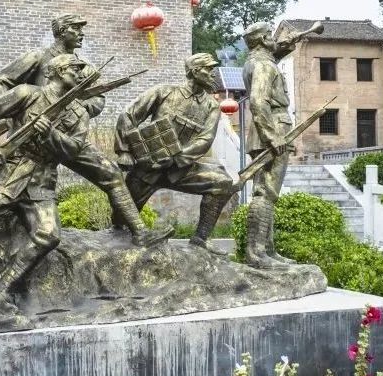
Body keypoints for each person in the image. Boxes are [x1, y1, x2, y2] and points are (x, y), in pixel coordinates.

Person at [0, 55, 168, 316]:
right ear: (57, 71)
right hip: (7, 177)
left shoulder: (79, 113)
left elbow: (74, 148)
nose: (79, 73)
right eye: (75, 68)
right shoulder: (27, 94)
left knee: (49, 234)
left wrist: (51, 134)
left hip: (41, 183)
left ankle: (0, 291)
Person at [114, 53, 234, 254]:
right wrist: (125, 151)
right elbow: (128, 115)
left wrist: (175, 158)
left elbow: (204, 140)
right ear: (195, 71)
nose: (213, 74)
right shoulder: (164, 92)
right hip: (148, 168)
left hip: (181, 169)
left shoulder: (211, 106)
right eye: (208, 69)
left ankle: (201, 239)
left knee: (222, 182)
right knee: (120, 220)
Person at [241, 22, 297, 268]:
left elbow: (274, 54)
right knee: (266, 192)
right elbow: (257, 101)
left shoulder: (256, 61)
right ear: (263, 40)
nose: (275, 39)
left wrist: (286, 45)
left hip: (266, 128)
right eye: (270, 36)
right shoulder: (265, 65)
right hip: (272, 127)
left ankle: (267, 250)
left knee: (266, 192)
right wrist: (273, 136)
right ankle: (256, 252)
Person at [0, 13, 105, 118]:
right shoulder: (37, 56)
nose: (82, 33)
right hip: (35, 124)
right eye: (76, 28)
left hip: (68, 128)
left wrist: (75, 108)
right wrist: (16, 114)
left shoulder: (84, 66)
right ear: (62, 30)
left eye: (81, 29)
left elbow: (98, 98)